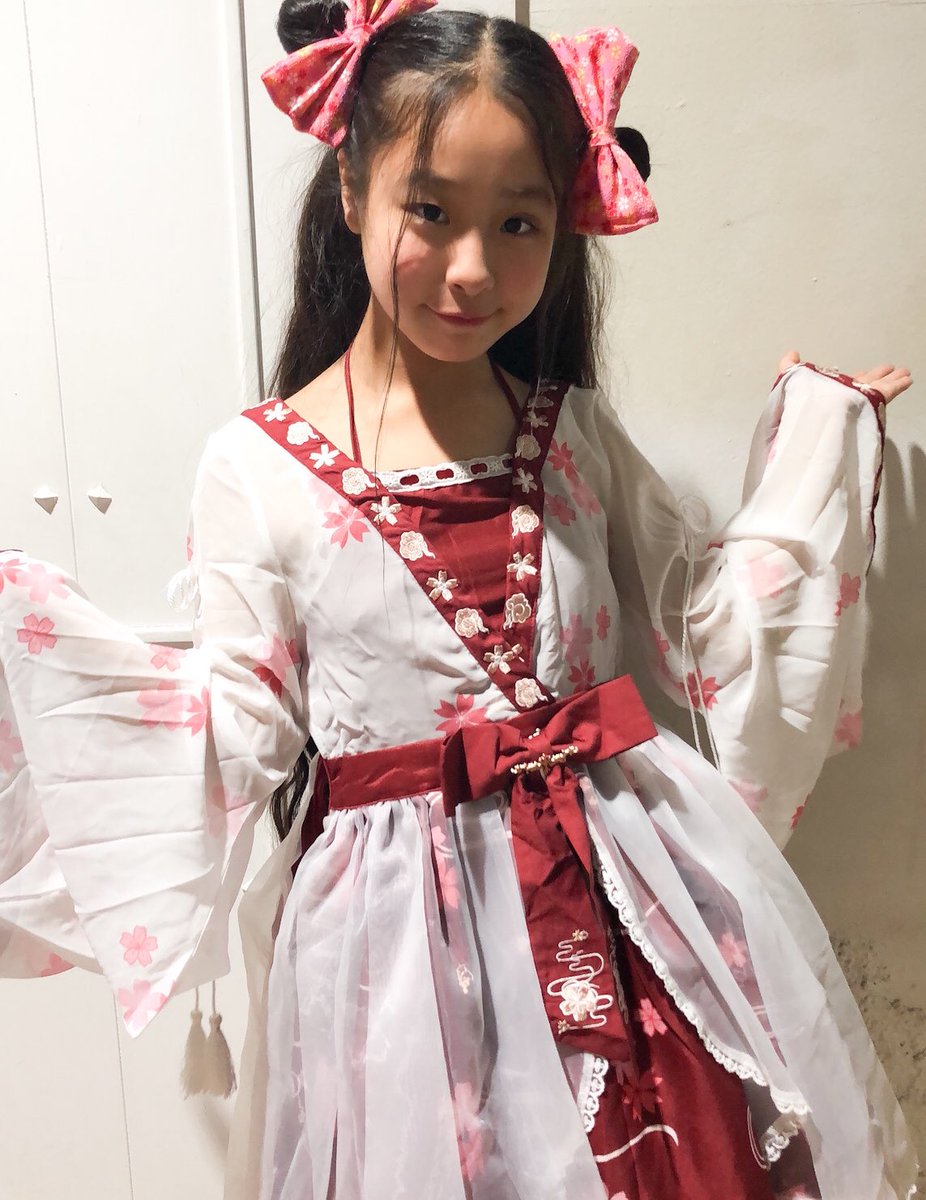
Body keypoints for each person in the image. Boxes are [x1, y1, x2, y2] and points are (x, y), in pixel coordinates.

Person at [0, 2, 917, 1198]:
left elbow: (702, 629)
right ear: (351, 190)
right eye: (429, 211)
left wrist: (815, 443)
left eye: (518, 221)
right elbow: (230, 736)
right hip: (399, 962)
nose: (474, 267)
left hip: (631, 913)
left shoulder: (574, 431)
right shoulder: (255, 467)